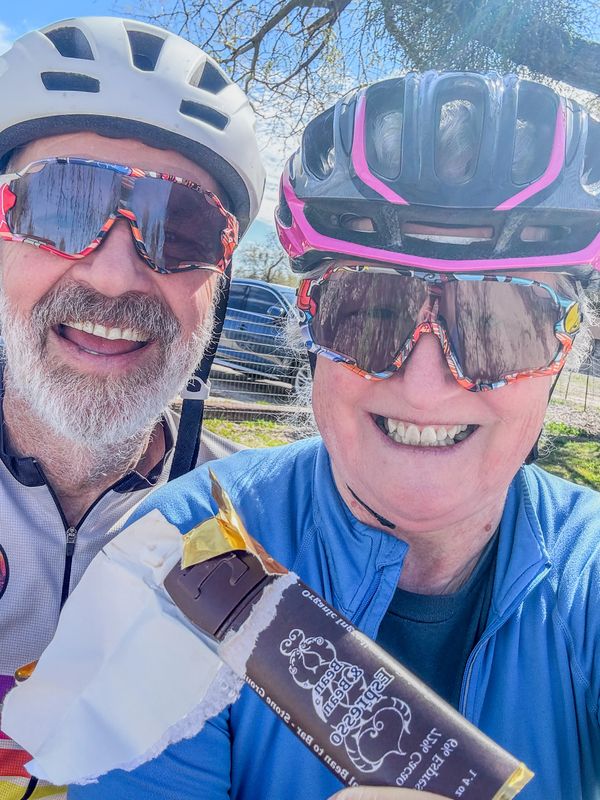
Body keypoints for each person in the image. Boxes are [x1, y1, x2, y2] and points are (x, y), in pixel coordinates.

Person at [70, 72, 600, 800]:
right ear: (311, 327)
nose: (423, 383)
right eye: (369, 311)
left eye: (498, 325)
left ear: (562, 351)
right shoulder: (177, 552)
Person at [0, 15, 265, 800]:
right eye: (59, 206)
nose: (114, 276)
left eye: (178, 226)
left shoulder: (262, 526)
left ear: (219, 280)